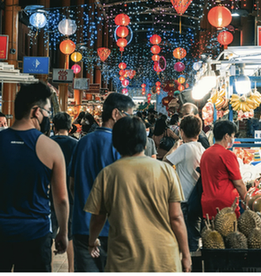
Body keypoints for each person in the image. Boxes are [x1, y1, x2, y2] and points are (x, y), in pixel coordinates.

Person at [84, 116, 191, 272]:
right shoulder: (166, 170)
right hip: (164, 260)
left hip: (124, 261)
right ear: (144, 140)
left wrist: (92, 242)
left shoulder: (108, 174)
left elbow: (98, 218)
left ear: (116, 142)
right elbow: (176, 217)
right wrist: (186, 255)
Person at [0, 81, 69, 272]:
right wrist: (63, 232)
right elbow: (61, 199)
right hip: (35, 234)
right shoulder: (51, 148)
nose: (48, 117)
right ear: (36, 111)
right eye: (47, 112)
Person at [69, 93, 135, 272]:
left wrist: (85, 205)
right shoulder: (121, 146)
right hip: (113, 229)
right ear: (115, 114)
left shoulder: (82, 143)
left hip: (83, 227)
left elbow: (73, 185)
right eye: (127, 116)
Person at [165, 115, 205, 252]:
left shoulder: (184, 148)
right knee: (194, 234)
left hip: (185, 199)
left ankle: (189, 267)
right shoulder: (202, 148)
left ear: (182, 132)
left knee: (185, 238)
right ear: (199, 132)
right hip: (197, 198)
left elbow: (165, 164)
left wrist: (175, 147)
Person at [200, 120, 247, 219]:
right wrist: (246, 200)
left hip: (207, 203)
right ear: (226, 136)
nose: (233, 139)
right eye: (233, 136)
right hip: (226, 205)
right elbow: (239, 183)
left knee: (210, 232)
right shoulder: (227, 155)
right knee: (230, 233)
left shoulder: (205, 153)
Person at [51, 112, 78, 272]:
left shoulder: (47, 142)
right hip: (70, 195)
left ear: (54, 125)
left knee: (50, 235)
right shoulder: (76, 144)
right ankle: (71, 270)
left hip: (49, 195)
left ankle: (48, 268)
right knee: (70, 235)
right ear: (70, 126)